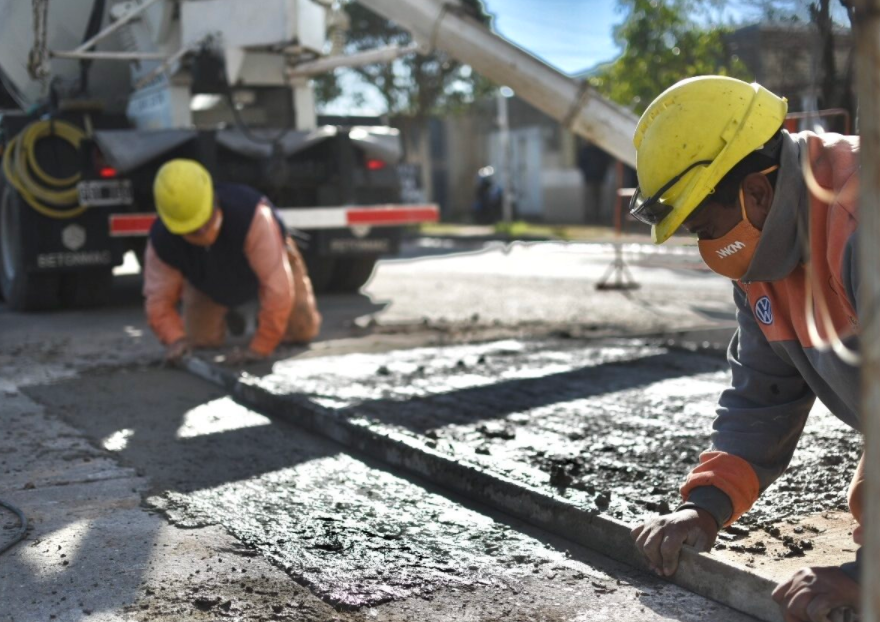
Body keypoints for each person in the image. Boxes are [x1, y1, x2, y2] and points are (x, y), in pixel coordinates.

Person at [626, 76, 863, 621]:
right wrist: (704, 507)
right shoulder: (764, 248)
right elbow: (763, 394)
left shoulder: (859, 221)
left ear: (755, 191)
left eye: (706, 227)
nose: (709, 249)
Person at [143, 159, 322, 365]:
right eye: (192, 230)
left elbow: (278, 288)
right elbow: (158, 300)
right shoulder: (161, 241)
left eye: (205, 221)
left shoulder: (252, 215)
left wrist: (261, 347)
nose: (202, 232)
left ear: (212, 199)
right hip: (208, 280)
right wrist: (175, 340)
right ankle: (229, 315)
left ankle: (264, 318)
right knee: (201, 340)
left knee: (301, 331)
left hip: (270, 267)